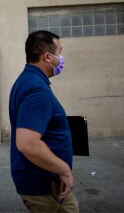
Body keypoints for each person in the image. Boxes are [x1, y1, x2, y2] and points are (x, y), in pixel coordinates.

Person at [9, 30, 77, 213]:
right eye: (60, 52)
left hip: (41, 182)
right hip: (45, 186)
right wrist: (64, 170)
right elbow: (27, 143)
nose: (61, 58)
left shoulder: (27, 80)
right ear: (48, 57)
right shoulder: (36, 89)